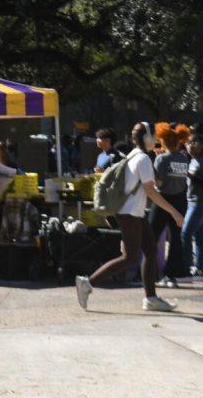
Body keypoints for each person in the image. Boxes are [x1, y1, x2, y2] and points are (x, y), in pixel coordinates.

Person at [76, 122, 185, 312]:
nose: (156, 140)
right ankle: (87, 282)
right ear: (145, 138)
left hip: (133, 212)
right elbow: (150, 191)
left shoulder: (135, 155)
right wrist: (174, 212)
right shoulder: (143, 159)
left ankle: (150, 298)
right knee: (129, 258)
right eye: (153, 136)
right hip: (130, 214)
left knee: (150, 251)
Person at [151, 124, 190, 288]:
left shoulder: (161, 159)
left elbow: (158, 181)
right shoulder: (184, 158)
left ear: (163, 141)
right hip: (180, 200)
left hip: (162, 200)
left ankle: (149, 272)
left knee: (151, 236)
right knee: (175, 238)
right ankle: (172, 274)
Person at [182, 134, 203, 281]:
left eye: (194, 143)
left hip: (200, 202)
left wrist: (189, 175)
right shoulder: (193, 160)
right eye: (188, 143)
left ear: (202, 145)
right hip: (195, 201)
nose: (190, 146)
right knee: (200, 237)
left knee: (185, 233)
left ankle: (186, 266)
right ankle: (199, 269)